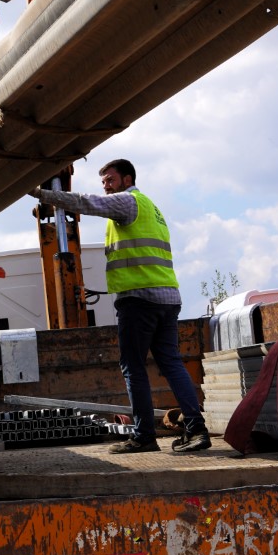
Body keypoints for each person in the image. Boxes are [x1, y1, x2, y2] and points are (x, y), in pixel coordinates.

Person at [29, 158, 211, 454]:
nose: (106, 187)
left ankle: (143, 436)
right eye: (103, 183)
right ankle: (196, 429)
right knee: (172, 363)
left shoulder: (127, 203)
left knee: (133, 367)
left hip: (139, 299)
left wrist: (41, 193)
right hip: (168, 298)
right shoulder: (152, 208)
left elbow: (86, 203)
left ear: (127, 180)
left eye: (110, 181)